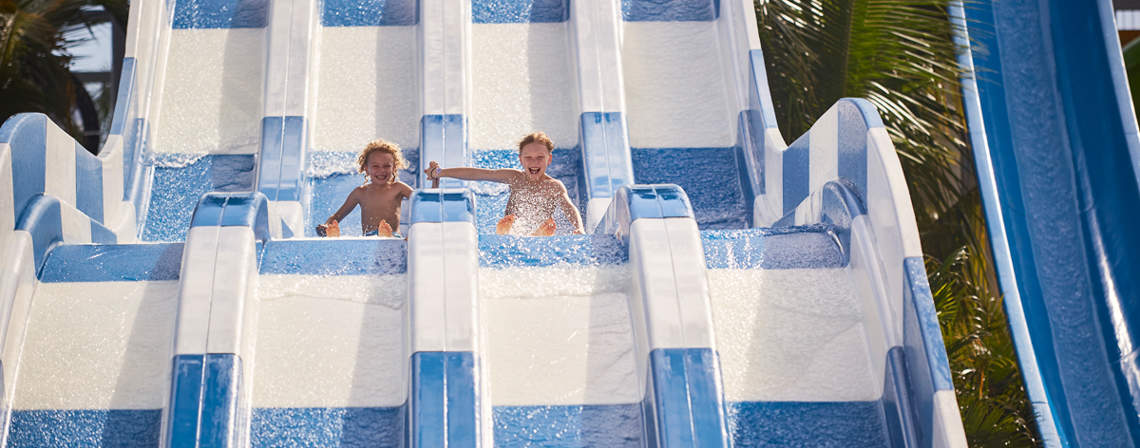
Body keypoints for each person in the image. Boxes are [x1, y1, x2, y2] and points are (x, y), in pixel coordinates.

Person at [425, 132, 584, 236]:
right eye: (528, 157)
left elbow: (569, 208)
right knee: (511, 222)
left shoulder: (554, 186)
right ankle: (506, 232)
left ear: (549, 159)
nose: (534, 162)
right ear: (520, 160)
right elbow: (479, 174)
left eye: (540, 157)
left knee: (547, 225)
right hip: (512, 228)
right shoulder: (515, 178)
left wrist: (579, 228)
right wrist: (440, 172)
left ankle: (538, 234)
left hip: (539, 229)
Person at [317, 139, 413, 237]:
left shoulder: (398, 188)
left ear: (394, 168)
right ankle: (332, 234)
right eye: (376, 166)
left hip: (393, 237)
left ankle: (385, 235)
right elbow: (337, 216)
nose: (381, 170)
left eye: (386, 166)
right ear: (366, 168)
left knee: (390, 236)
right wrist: (326, 225)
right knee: (367, 238)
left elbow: (419, 200)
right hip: (369, 238)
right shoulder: (360, 192)